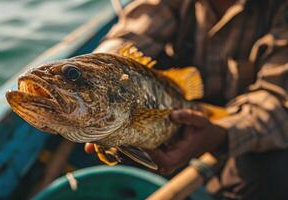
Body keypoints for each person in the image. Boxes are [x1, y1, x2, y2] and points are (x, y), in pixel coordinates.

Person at [85, 0, 288, 199]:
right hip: (180, 115)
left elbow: (277, 99)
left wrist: (219, 134)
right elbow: (132, 34)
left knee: (268, 174)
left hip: (247, 127)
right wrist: (92, 76)